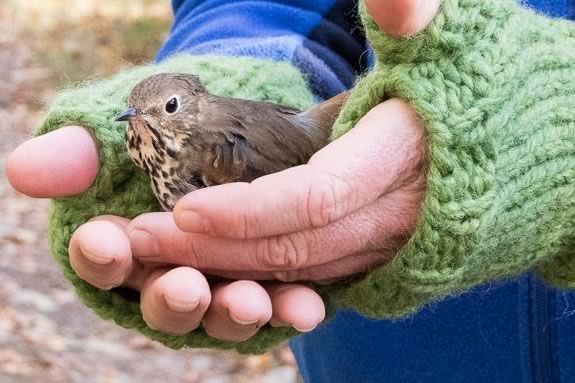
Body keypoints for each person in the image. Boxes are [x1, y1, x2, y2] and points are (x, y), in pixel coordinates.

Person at [6, 0, 575, 381]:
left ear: (192, 106)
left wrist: (553, 123)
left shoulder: (204, 148)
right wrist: (255, 60)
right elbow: (276, 6)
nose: (146, 118)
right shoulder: (153, 139)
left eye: (169, 108)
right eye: (141, 112)